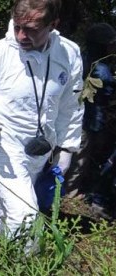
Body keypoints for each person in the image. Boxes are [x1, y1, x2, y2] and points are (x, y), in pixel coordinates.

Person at [0, 0, 84, 248]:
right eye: (17, 27)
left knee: (14, 197)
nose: (21, 36)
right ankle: (23, 266)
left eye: (32, 29)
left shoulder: (68, 53)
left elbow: (72, 104)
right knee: (25, 215)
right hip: (3, 145)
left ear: (53, 25)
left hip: (40, 146)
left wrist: (67, 147)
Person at [65, 23, 116, 218]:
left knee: (79, 155)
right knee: (81, 156)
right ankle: (71, 193)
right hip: (90, 120)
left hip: (80, 117)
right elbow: (107, 93)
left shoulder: (84, 59)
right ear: (102, 45)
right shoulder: (101, 70)